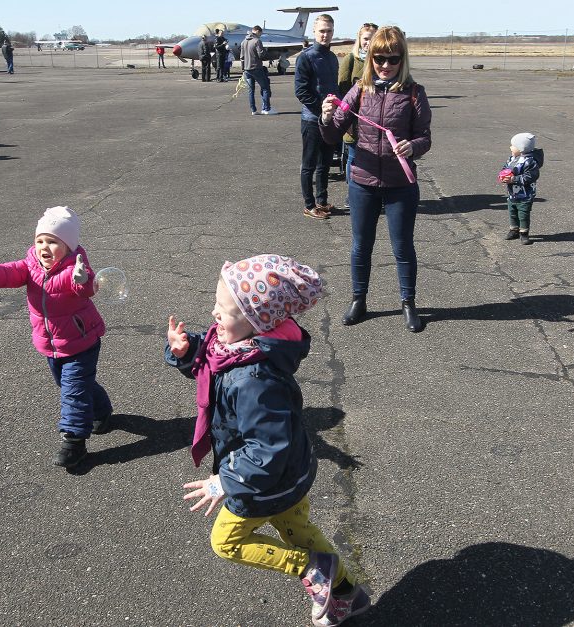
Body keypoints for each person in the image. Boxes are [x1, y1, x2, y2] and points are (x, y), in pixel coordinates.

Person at [166, 255, 370, 627]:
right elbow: (210, 360)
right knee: (300, 531)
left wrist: (224, 481)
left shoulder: (255, 380)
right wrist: (186, 352)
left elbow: (267, 448)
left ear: (256, 323)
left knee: (226, 542)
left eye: (224, 311)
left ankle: (310, 567)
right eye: (216, 304)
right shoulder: (238, 348)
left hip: (262, 482)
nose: (214, 314)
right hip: (288, 475)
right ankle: (346, 594)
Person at [0, 206, 112, 469]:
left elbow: (85, 287)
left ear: (69, 246)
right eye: (40, 241)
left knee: (72, 391)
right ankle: (102, 412)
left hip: (81, 342)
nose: (44, 247)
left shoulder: (75, 267)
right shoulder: (31, 265)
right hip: (51, 344)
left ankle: (73, 441)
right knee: (73, 385)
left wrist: (83, 280)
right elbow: (11, 272)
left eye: (53, 242)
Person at [320, 25, 432, 333]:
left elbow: (425, 137)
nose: (384, 65)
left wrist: (413, 146)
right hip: (362, 180)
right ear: (370, 59)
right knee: (361, 245)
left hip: (400, 185)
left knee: (403, 246)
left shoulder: (413, 93)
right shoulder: (359, 90)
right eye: (378, 58)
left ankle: (408, 303)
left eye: (392, 59)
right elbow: (331, 135)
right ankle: (359, 299)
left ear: (402, 59)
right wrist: (326, 116)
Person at [295, 13, 340, 220]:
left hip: (330, 120)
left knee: (325, 163)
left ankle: (321, 201)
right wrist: (320, 110)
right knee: (309, 164)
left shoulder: (331, 58)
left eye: (329, 31)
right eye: (322, 31)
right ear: (314, 32)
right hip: (312, 120)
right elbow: (301, 91)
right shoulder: (306, 57)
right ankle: (309, 204)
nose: (325, 35)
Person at [337, 23, 377, 195]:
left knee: (375, 160)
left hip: (376, 120)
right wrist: (348, 120)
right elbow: (342, 90)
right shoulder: (351, 60)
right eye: (366, 38)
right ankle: (352, 195)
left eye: (373, 38)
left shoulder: (381, 61)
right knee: (353, 158)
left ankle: (373, 193)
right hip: (354, 119)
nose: (369, 42)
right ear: (359, 40)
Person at [497, 133, 542, 246]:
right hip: (512, 193)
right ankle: (514, 230)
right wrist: (503, 175)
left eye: (513, 146)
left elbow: (531, 176)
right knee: (512, 212)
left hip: (525, 195)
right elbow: (505, 168)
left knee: (523, 214)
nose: (511, 148)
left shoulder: (530, 162)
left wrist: (514, 179)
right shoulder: (512, 159)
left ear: (521, 148)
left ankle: (524, 233)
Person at [241, 25, 276, 115]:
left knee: (251, 90)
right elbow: (261, 55)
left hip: (247, 69)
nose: (261, 35)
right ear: (257, 31)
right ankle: (266, 109)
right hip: (256, 68)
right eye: (261, 33)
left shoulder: (243, 42)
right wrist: (265, 51)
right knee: (265, 88)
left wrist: (243, 70)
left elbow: (242, 57)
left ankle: (253, 110)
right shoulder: (257, 41)